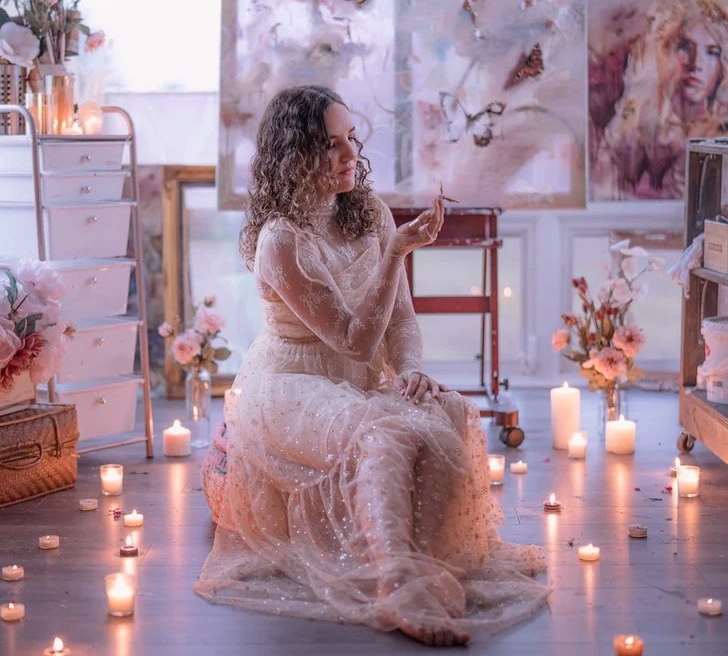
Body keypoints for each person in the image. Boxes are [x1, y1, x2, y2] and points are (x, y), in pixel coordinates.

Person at [194, 85, 548, 646]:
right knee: (383, 430)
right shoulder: (281, 241)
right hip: (292, 383)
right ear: (293, 155)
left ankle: (423, 567)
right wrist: (396, 254)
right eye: (330, 144)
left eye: (351, 138)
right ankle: (396, 584)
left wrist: (408, 370)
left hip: (362, 379)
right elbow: (356, 341)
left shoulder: (369, 213)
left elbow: (400, 321)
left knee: (448, 411)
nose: (349, 155)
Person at [598, 0, 728, 199]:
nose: (696, 64)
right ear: (664, 52)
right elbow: (605, 194)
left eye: (712, 52)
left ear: (724, 65)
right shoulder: (633, 128)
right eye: (685, 48)